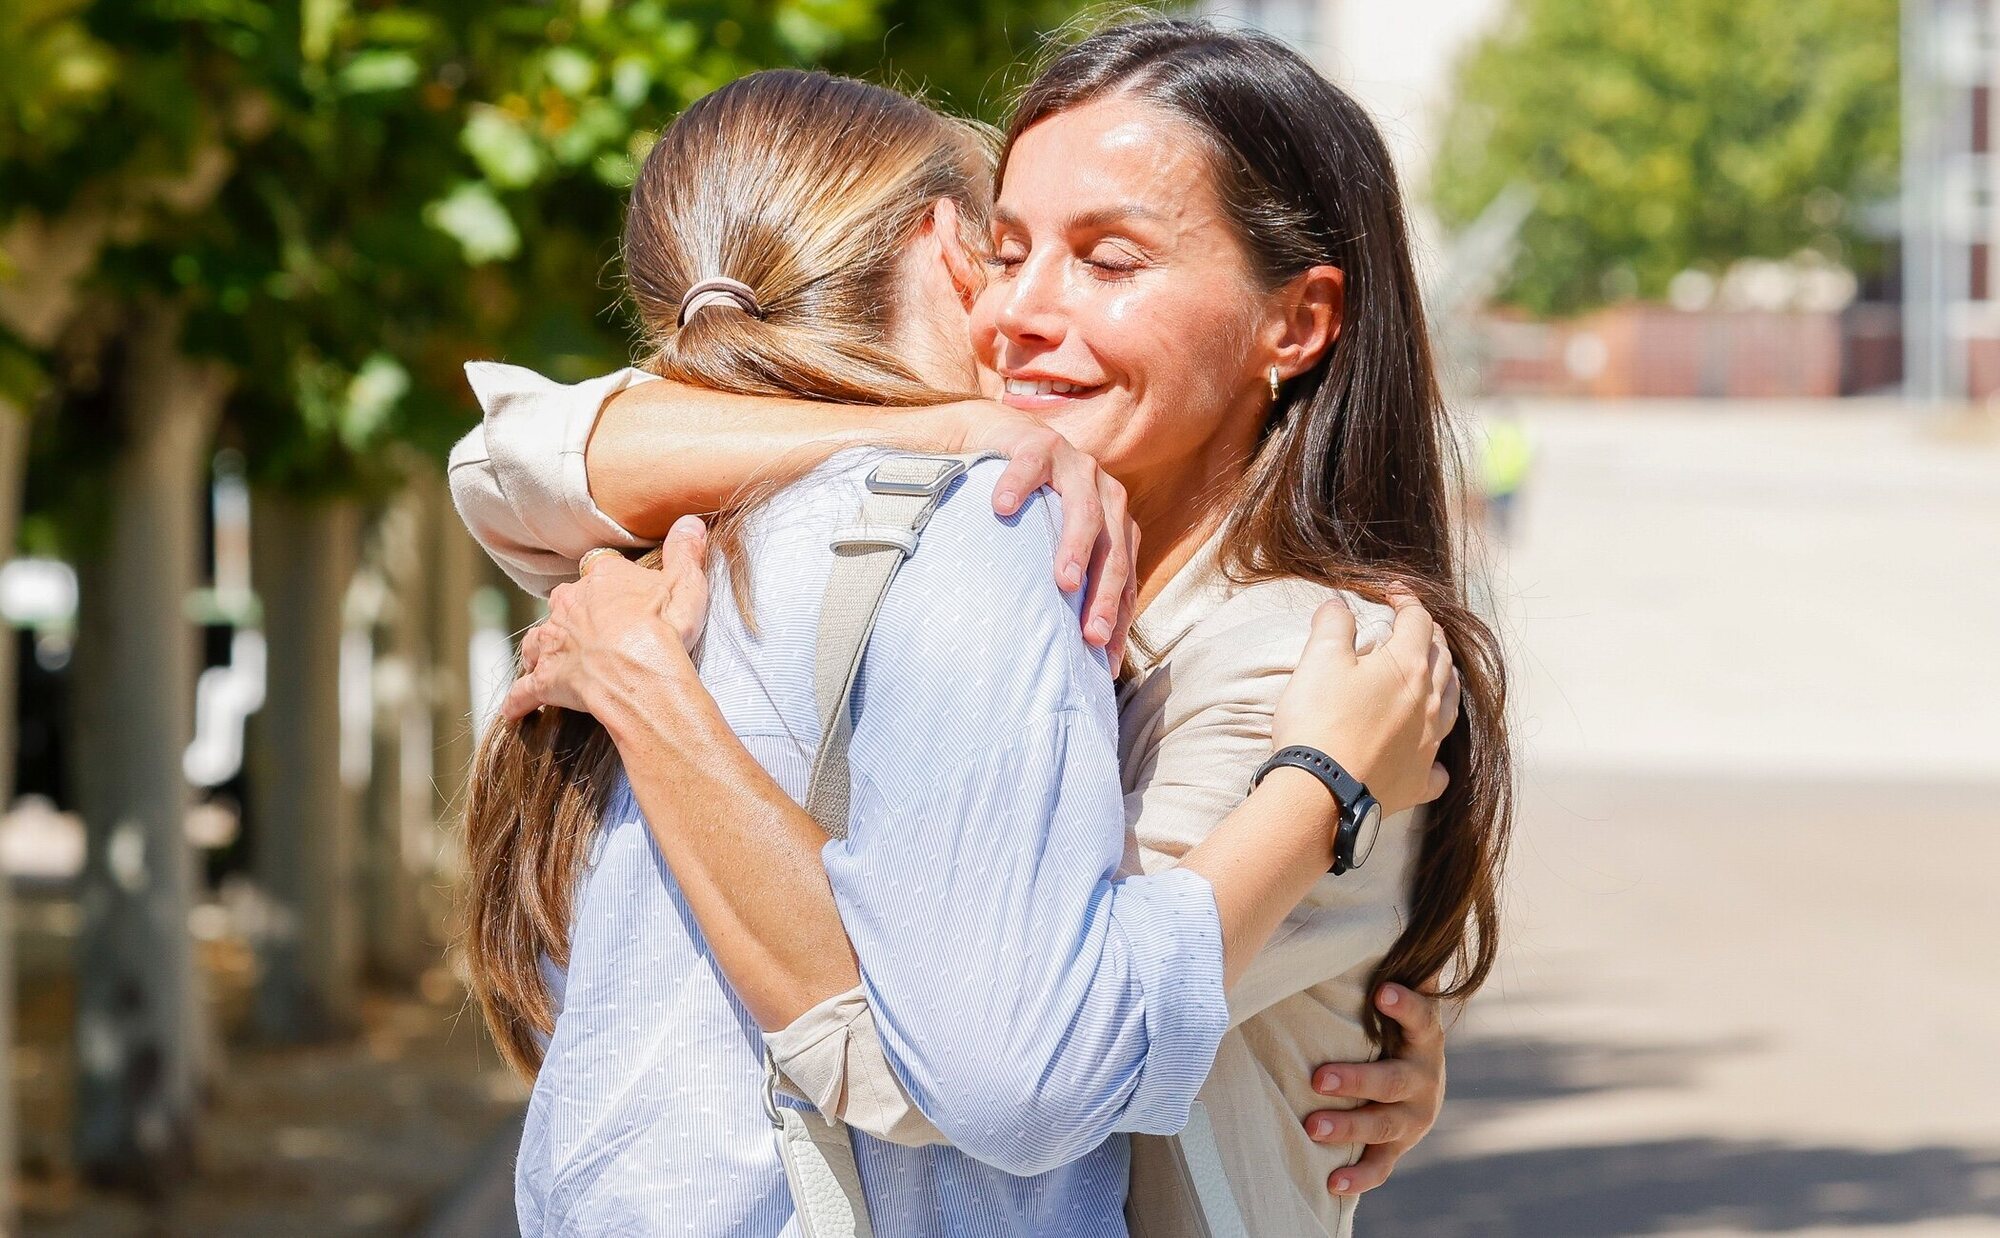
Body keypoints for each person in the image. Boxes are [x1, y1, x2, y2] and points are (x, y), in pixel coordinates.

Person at [459, 20, 1511, 1237]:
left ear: (1297, 321)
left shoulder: (1301, 664)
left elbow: (984, 1060)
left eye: (1109, 261)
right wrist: (935, 434)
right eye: (1005, 253)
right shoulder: (974, 531)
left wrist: (1319, 784)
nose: (1018, 311)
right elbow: (507, 460)